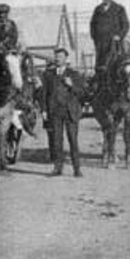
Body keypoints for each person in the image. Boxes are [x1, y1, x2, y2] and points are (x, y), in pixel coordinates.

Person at [40, 47, 86, 177]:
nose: (57, 59)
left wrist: (72, 85)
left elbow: (82, 93)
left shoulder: (74, 74)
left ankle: (77, 169)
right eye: (56, 56)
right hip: (55, 112)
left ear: (66, 59)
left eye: (60, 57)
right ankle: (57, 168)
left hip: (70, 112)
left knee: (73, 141)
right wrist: (44, 110)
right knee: (56, 141)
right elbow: (44, 94)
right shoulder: (48, 74)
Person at [89, 0, 130, 75]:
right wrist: (95, 38)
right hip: (101, 43)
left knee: (115, 65)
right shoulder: (98, 9)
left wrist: (119, 36)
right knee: (100, 66)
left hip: (114, 44)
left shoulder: (119, 9)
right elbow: (92, 24)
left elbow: (126, 25)